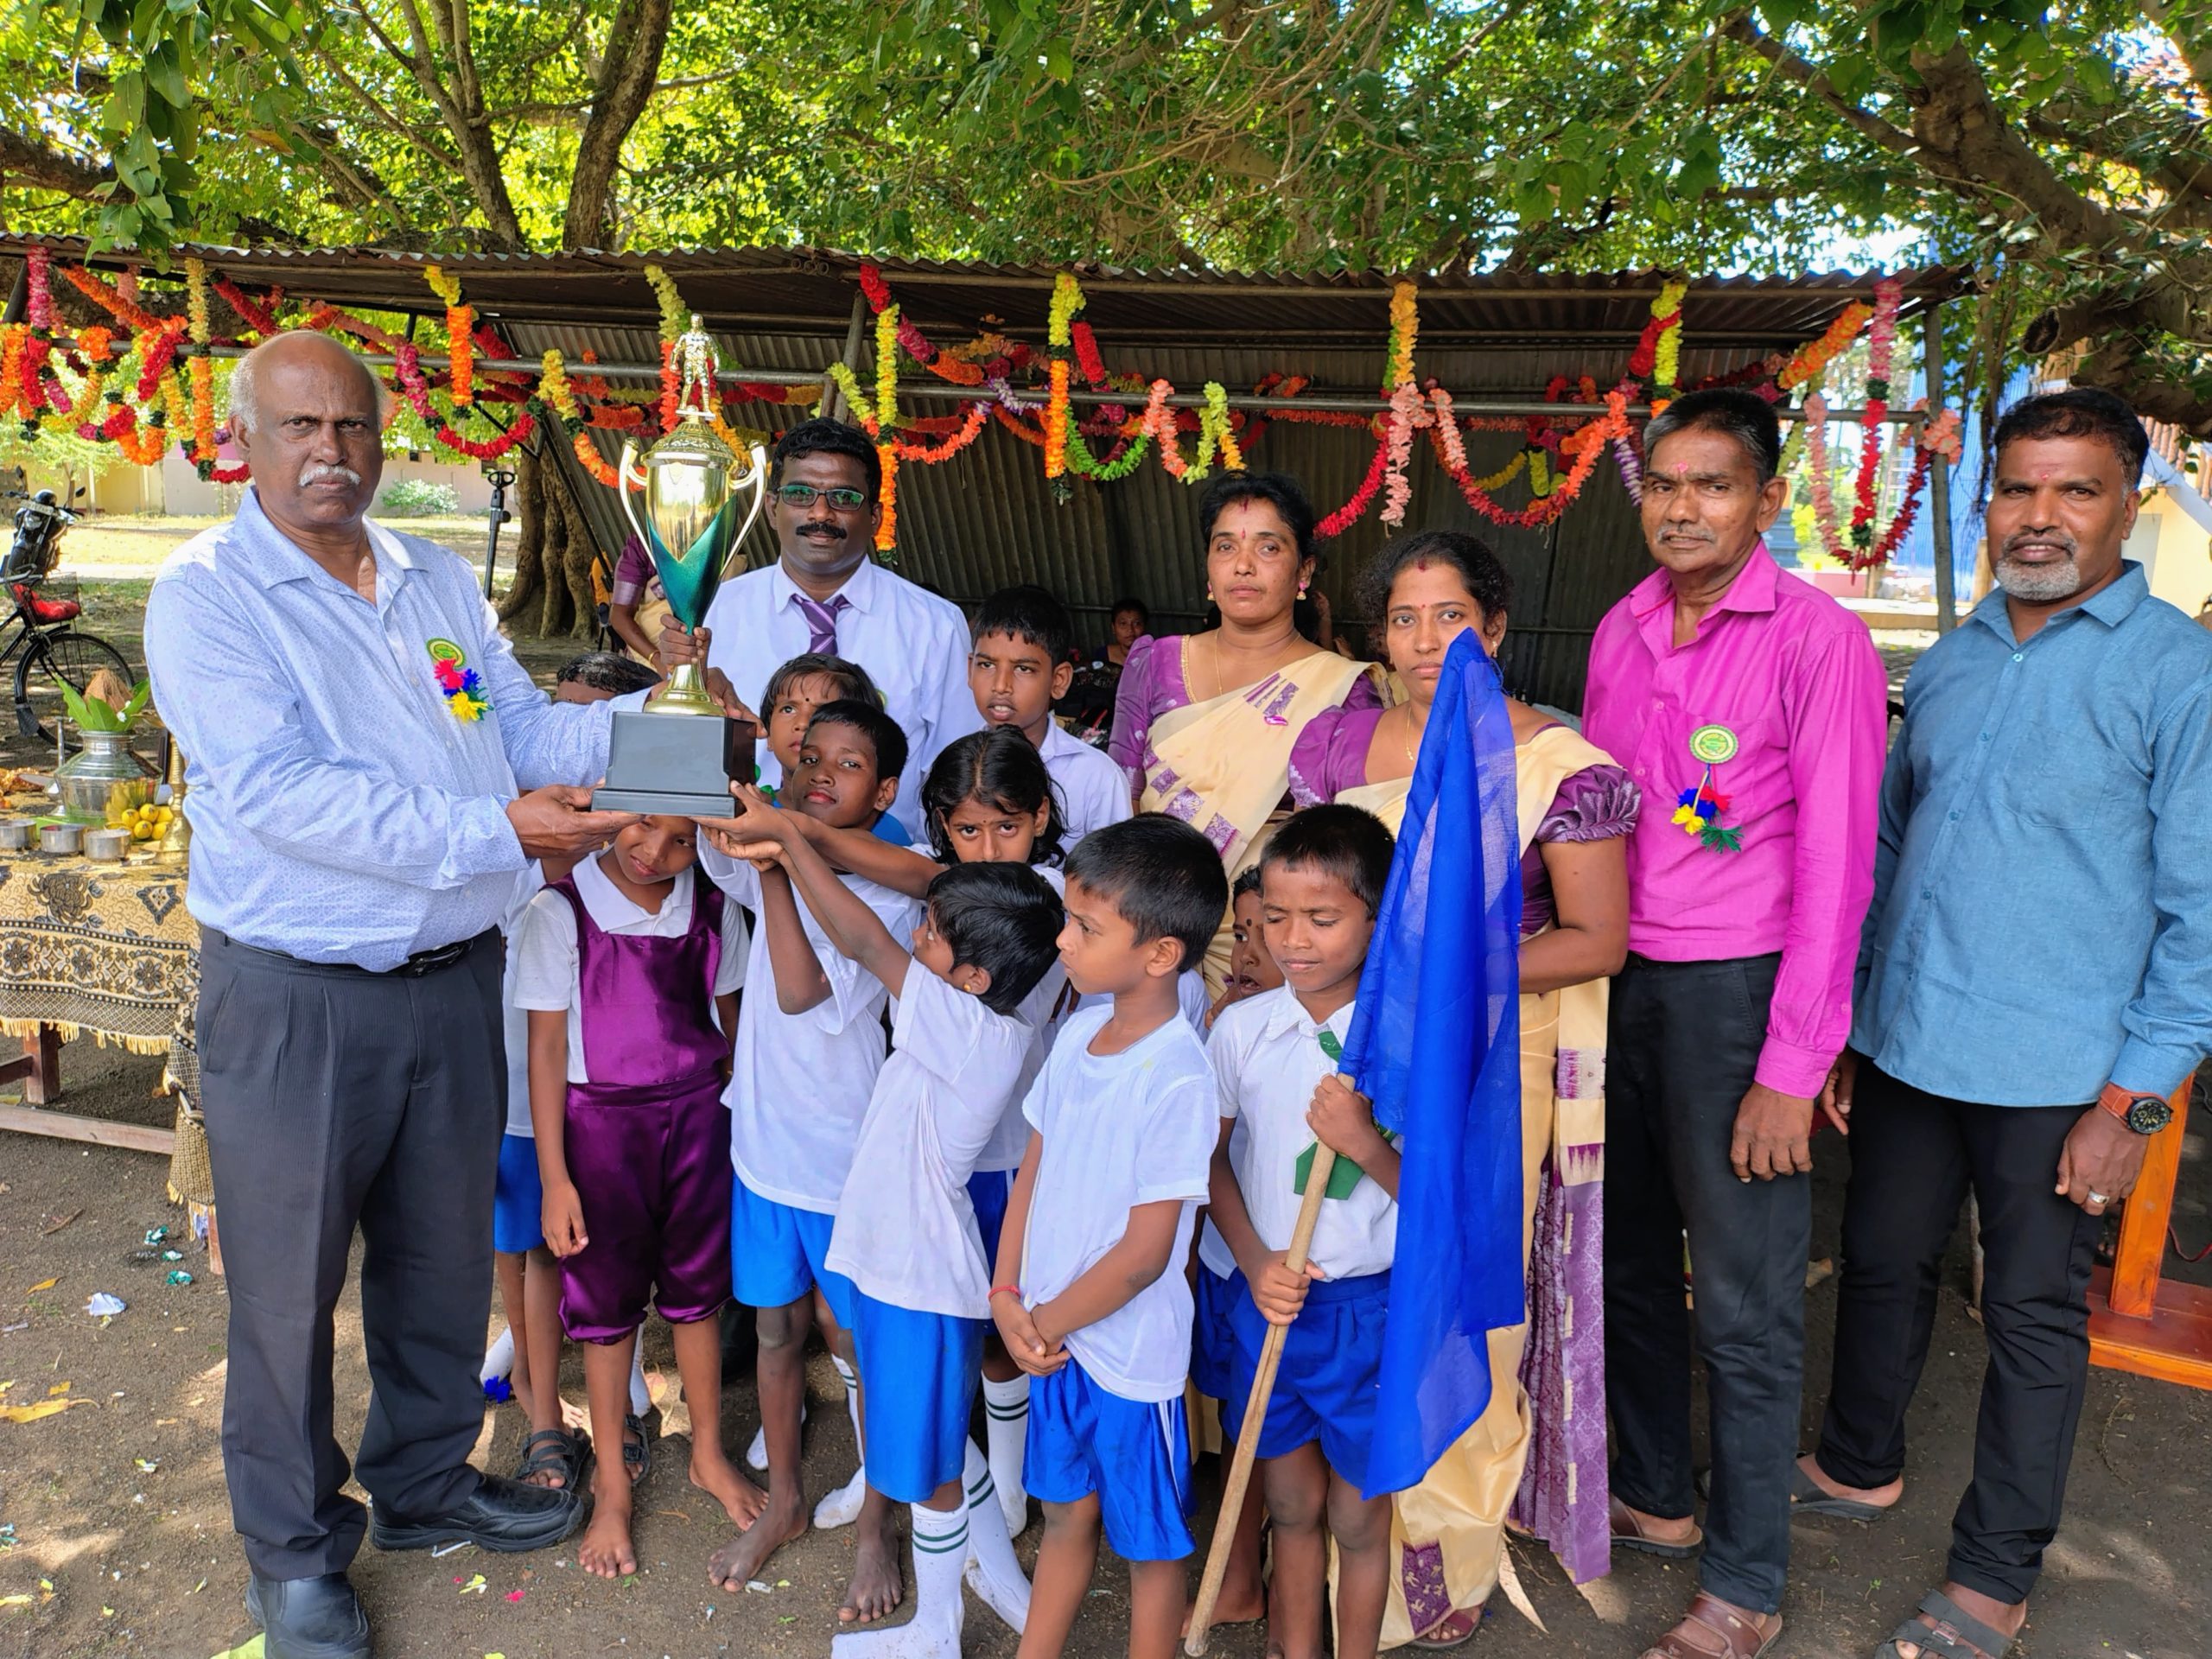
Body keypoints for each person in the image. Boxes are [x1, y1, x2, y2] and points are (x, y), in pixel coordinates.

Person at [143, 331, 643, 1659]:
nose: (332, 450)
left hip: (453, 981)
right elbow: (282, 796)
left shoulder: (432, 580)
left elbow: (507, 727)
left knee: (438, 1260)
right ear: (242, 441)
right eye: (301, 426)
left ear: (381, 439)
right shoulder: (210, 596)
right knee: (287, 1292)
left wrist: (675, 733)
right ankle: (295, 1557)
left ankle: (422, 1485)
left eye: (353, 426)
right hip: (297, 998)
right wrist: (504, 833)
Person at [1799, 389, 2212, 1659]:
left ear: (2127, 505)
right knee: (1880, 1261)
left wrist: (2132, 1104)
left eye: (2074, 489)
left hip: (2062, 1072)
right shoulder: (1954, 659)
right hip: (1913, 1043)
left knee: (2032, 1314)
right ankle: (1858, 1461)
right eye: (2018, 488)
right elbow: (1890, 852)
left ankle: (1994, 1573)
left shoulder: (2179, 672)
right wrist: (1856, 1023)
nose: (2040, 515)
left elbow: (2203, 911)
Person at [1581, 388, 1888, 1659]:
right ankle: (1656, 1495)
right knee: (1626, 1264)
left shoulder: (1819, 640)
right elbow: (1599, 815)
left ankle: (1745, 1585)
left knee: (1746, 1305)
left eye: (1712, 485)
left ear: (1765, 499)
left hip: (1740, 996)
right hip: (1616, 986)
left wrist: (1792, 1064)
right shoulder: (1620, 627)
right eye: (1663, 484)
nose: (1683, 508)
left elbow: (1840, 863)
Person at [1292, 527, 1638, 1643]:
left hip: (1491, 1064)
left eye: (1451, 617)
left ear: (1493, 628)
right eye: (1403, 618)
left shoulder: (1558, 765)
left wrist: (1440, 975)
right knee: (1343, 1258)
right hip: (1344, 1041)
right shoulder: (1339, 746)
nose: (1426, 640)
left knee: (1459, 1283)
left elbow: (1596, 941)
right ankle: (1332, 1523)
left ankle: (1445, 1547)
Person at [709, 725, 1071, 1543]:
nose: (986, 847)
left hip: (998, 1174)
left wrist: (789, 842)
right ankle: (939, 1495)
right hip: (934, 1195)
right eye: (967, 829)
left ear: (1043, 819)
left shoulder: (1036, 910)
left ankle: (993, 1496)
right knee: (927, 1382)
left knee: (984, 1355)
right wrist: (788, 835)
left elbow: (874, 934)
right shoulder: (965, 919)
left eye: (1006, 826)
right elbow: (909, 880)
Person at [696, 699, 923, 1623]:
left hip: (841, 1161)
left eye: (850, 764)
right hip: (763, 1148)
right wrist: (706, 717)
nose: (822, 772)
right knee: (777, 1332)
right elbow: (709, 821)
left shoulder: (886, 898)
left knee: (859, 1343)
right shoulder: (771, 854)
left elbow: (797, 991)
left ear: (886, 793)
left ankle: (877, 1523)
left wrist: (782, 866)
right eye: (811, 757)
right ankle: (785, 1498)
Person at [991, 816, 1230, 1659]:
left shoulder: (1179, 1076)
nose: (1063, 940)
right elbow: (1032, 1173)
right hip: (1051, 1340)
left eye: (1086, 928)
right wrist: (1005, 1294)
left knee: (1149, 1548)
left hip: (1126, 1359)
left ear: (1160, 954)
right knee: (1066, 1517)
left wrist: (1040, 1323)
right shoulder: (1074, 1038)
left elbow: (1144, 1257)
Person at [515, 814, 755, 1578]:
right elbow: (546, 1048)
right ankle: (614, 1487)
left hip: (700, 1121)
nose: (656, 853)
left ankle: (708, 1452)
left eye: (683, 840)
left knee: (698, 1294)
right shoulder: (560, 911)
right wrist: (556, 1179)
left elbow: (734, 1025)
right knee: (607, 1306)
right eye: (644, 827)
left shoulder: (714, 907)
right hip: (600, 1130)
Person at [1207, 804, 1401, 1659]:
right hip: (1272, 1302)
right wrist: (1254, 1262)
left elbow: (1446, 1204)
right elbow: (1210, 1163)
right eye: (1273, 918)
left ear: (1377, 917)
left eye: (1322, 918)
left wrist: (1365, 1143)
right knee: (1290, 1507)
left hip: (1371, 1312)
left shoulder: (1408, 1045)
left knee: (1359, 1519)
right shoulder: (1241, 1029)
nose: (1293, 940)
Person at [488, 652, 662, 1499]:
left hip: (602, 1101)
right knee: (524, 1244)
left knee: (585, 1247)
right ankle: (540, 1410)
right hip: (518, 1095)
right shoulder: (506, 851)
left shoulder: (640, 865)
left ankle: (610, 1400)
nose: (563, 774)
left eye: (583, 740)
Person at [1107, 472, 1380, 995]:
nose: (1243, 565)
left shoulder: (1341, 689)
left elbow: (1352, 848)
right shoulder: (1156, 662)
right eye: (1225, 545)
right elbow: (1122, 795)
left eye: (1268, 547)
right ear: (1208, 568)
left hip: (1274, 948)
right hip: (1152, 927)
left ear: (1304, 570)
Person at [676, 418, 980, 837]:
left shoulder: (935, 625)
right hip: (738, 860)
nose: (820, 513)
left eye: (844, 498)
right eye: (800, 494)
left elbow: (957, 766)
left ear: (875, 516)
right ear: (771, 508)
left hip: (888, 864)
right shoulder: (714, 611)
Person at [970, 583, 1133, 847]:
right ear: (970, 669)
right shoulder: (953, 768)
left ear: (1059, 680)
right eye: (986, 665)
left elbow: (1116, 870)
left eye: (1023, 669)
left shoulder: (1098, 778)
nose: (1000, 685)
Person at [756, 652, 911, 844]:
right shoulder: (751, 813)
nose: (802, 723)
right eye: (788, 709)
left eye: (822, 712)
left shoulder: (888, 834)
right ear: (768, 735)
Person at [605, 535, 667, 665]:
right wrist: (656, 659)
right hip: (653, 659)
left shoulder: (711, 543)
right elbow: (619, 616)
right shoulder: (642, 548)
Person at [1104, 596, 1149, 668]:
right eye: (1123, 624)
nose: (1130, 630)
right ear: (1113, 628)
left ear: (1144, 627)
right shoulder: (1102, 656)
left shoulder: (1153, 656)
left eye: (1137, 623)